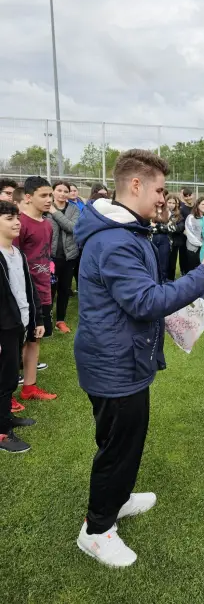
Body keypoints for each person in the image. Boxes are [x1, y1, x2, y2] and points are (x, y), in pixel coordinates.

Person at [73, 149, 204, 567]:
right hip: (115, 365)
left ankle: (117, 499)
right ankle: (96, 530)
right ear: (136, 185)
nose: (163, 198)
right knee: (117, 448)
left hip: (121, 358)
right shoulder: (113, 240)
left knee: (122, 442)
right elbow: (144, 301)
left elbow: (145, 292)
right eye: (159, 190)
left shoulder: (129, 231)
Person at [0, 200, 43, 453]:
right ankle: (2, 433)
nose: (16, 222)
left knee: (9, 379)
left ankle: (5, 417)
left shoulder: (18, 254)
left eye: (17, 217)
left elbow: (28, 290)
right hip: (4, 328)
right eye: (8, 218)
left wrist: (35, 320)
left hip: (20, 324)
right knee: (3, 380)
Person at [13, 176, 57, 403]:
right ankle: (6, 392)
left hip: (43, 291)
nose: (49, 200)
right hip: (22, 294)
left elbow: (45, 257)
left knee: (35, 339)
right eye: (44, 195)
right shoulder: (18, 223)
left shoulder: (48, 225)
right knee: (12, 344)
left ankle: (29, 387)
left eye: (50, 195)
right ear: (28, 197)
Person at [47, 181, 80, 333]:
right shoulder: (45, 208)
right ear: (53, 191)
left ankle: (61, 320)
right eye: (59, 190)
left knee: (64, 289)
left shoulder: (74, 209)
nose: (62, 193)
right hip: (50, 257)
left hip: (69, 257)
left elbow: (72, 227)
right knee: (49, 289)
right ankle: (46, 318)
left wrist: (55, 213)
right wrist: (52, 211)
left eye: (65, 191)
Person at [165, 194, 186, 281]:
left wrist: (166, 227)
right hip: (162, 242)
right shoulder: (161, 214)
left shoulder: (179, 215)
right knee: (163, 262)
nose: (171, 204)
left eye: (173, 203)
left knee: (172, 263)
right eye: (169, 202)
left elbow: (180, 228)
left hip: (174, 243)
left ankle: (170, 279)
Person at [185, 197, 204, 272]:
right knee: (193, 271)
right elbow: (189, 234)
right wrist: (201, 244)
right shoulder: (191, 217)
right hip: (193, 249)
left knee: (202, 270)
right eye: (203, 204)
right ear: (198, 205)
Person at [178, 187, 194, 275]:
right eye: (186, 196)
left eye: (189, 195)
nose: (188, 197)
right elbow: (181, 222)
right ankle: (183, 272)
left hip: (194, 236)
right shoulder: (182, 208)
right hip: (184, 236)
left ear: (193, 195)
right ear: (183, 197)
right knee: (183, 255)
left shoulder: (195, 207)